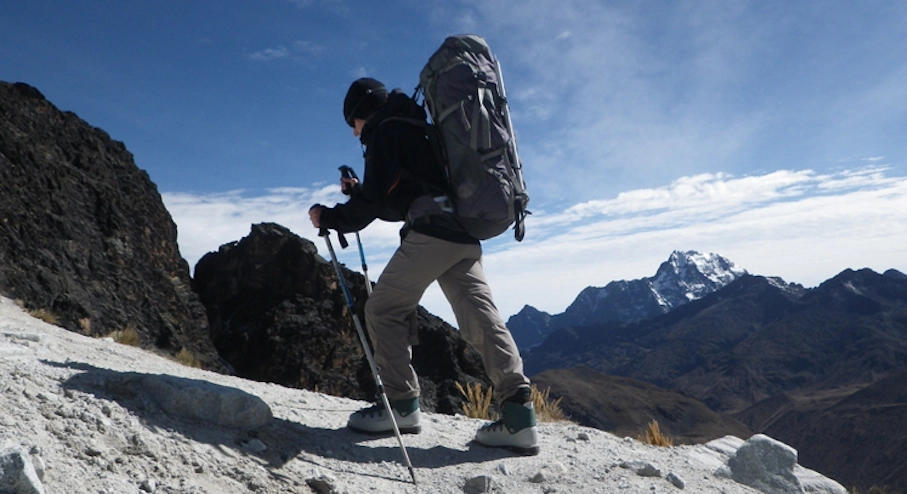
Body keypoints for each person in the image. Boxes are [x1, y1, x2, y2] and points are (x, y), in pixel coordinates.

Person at [309, 77, 539, 455]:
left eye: (353, 123)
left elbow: (372, 207)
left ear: (363, 112)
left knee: (383, 308)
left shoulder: (386, 130)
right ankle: (519, 418)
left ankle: (401, 407)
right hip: (463, 236)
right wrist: (360, 191)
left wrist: (330, 216)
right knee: (482, 318)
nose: (354, 133)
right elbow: (394, 198)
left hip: (430, 235)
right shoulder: (420, 127)